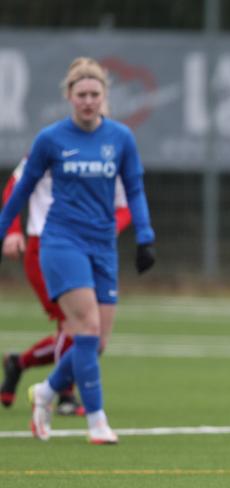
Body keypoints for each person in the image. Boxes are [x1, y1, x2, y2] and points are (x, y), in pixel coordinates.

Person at [0, 57, 156, 444]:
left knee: (97, 341)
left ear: (105, 97)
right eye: (81, 94)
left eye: (94, 94)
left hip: (102, 245)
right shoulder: (51, 139)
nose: (88, 101)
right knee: (85, 328)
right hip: (60, 241)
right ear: (69, 96)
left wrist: (145, 236)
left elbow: (134, 190)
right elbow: (20, 188)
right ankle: (97, 421)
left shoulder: (120, 138)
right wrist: (4, 230)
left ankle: (46, 392)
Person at [1, 149, 133, 416]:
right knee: (75, 324)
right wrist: (11, 231)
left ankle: (21, 364)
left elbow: (127, 205)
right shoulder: (52, 144)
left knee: (92, 334)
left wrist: (109, 229)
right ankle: (64, 394)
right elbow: (14, 188)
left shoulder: (108, 151)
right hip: (45, 247)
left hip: (88, 248)